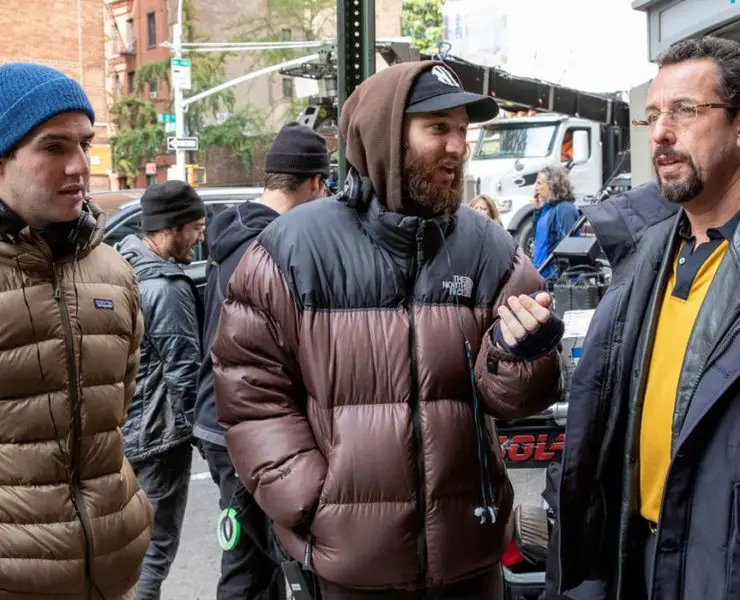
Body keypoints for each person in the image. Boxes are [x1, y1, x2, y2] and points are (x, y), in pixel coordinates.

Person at [212, 60, 563, 599]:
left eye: (462, 131)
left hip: (471, 556)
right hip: (351, 565)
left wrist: (523, 355)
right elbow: (249, 389)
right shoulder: (292, 248)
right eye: (438, 128)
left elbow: (515, 399)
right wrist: (310, 500)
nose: (457, 146)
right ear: (383, 136)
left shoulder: (490, 248)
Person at [558, 36, 740, 600]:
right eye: (653, 114)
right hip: (637, 560)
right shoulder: (646, 258)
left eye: (685, 110)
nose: (660, 133)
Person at [0, 63, 152, 599]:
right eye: (54, 147)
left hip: (108, 568)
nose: (80, 167)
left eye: (86, 144)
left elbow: (117, 410)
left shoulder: (112, 270)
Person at [194, 122, 330, 599]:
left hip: (220, 419)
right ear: (314, 182)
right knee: (277, 564)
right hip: (245, 425)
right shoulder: (271, 246)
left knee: (251, 565)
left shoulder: (232, 236)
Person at [117, 180, 206, 600]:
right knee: (155, 552)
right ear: (172, 228)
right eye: (196, 226)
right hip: (160, 439)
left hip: (123, 433)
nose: (200, 235)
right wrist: (206, 440)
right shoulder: (168, 288)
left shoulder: (122, 267)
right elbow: (185, 374)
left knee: (125, 551)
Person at [531, 166, 579, 281]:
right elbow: (538, 238)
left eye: (539, 183)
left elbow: (567, 246)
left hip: (554, 278)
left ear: (552, 185)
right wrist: (537, 211)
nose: (535, 188)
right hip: (542, 275)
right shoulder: (547, 208)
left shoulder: (564, 209)